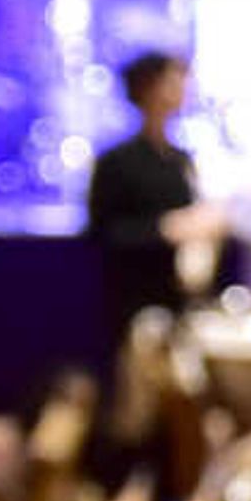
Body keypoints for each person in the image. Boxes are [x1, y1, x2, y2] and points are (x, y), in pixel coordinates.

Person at [84, 50, 224, 355]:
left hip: (181, 301)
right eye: (173, 81)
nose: (182, 89)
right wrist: (166, 229)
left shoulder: (180, 160)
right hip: (133, 303)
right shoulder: (116, 162)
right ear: (149, 88)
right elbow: (102, 233)